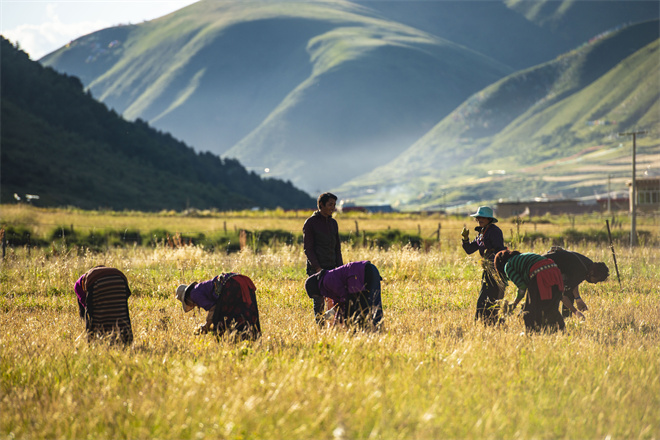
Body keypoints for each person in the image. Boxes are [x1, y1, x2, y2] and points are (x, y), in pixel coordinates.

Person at [494, 250, 565, 333]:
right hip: (555, 272)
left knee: (529, 312)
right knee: (550, 308)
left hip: (540, 274)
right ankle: (561, 332)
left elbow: (522, 287)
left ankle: (533, 335)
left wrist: (514, 304)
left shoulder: (508, 265)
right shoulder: (522, 257)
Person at [176, 272, 261, 339]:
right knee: (244, 312)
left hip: (231, 285)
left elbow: (213, 308)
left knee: (221, 318)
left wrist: (206, 327)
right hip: (239, 281)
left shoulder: (194, 294)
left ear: (187, 299)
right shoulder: (198, 289)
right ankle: (250, 337)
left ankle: (232, 340)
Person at [461, 206, 507, 324]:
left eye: (482, 217)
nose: (479, 219)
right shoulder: (481, 233)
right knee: (483, 296)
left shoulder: (494, 231)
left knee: (492, 295)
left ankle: (492, 320)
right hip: (487, 269)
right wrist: (465, 239)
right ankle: (482, 320)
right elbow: (470, 250)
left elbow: (499, 250)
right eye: (478, 217)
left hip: (496, 268)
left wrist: (491, 254)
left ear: (488, 219)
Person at [304, 261, 383, 329]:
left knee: (357, 309)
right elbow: (341, 301)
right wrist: (334, 313)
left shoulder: (327, 280)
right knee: (373, 304)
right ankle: (377, 329)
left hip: (364, 272)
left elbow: (345, 297)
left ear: (315, 288)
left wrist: (339, 316)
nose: (318, 297)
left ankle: (363, 331)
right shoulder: (327, 280)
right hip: (370, 270)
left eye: (315, 295)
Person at [303, 192, 343, 321]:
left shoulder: (333, 223)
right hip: (317, 269)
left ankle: (330, 321)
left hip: (332, 267)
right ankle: (320, 327)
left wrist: (341, 268)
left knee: (338, 300)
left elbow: (337, 248)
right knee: (319, 301)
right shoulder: (310, 223)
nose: (333, 208)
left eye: (334, 205)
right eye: (330, 204)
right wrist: (318, 268)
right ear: (321, 204)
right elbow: (308, 249)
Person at [543, 247, 609, 319]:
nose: (595, 283)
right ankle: (561, 318)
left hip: (547, 264)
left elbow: (573, 282)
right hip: (543, 268)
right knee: (556, 295)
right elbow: (561, 294)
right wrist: (575, 311)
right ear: (592, 273)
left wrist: (578, 299)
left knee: (569, 292)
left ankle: (565, 317)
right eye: (597, 280)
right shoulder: (582, 269)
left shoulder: (588, 265)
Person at [74, 265, 133, 344]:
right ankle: (126, 340)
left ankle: (95, 342)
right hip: (120, 280)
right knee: (120, 311)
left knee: (96, 315)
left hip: (99, 283)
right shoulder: (103, 273)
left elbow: (87, 307)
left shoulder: (78, 285)